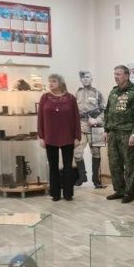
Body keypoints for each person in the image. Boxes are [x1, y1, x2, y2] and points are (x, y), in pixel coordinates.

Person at [103, 65, 134, 203]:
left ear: (126, 75)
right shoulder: (113, 92)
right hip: (113, 133)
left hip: (126, 133)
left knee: (129, 164)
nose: (116, 76)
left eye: (119, 74)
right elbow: (107, 112)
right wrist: (106, 130)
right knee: (114, 163)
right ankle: (119, 190)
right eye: (115, 74)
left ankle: (129, 193)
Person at [37, 73, 80, 201]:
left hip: (68, 137)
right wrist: (41, 136)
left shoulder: (70, 98)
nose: (50, 84)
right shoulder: (45, 98)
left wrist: (77, 137)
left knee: (68, 166)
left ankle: (68, 193)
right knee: (53, 166)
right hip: (50, 137)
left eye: (54, 81)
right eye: (49, 81)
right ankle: (55, 193)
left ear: (60, 83)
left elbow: (76, 118)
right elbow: (40, 118)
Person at [74, 70, 106, 188]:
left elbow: (104, 110)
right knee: (77, 152)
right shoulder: (77, 93)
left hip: (95, 127)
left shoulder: (97, 93)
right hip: (81, 126)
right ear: (81, 80)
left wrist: (97, 120)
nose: (85, 79)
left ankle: (96, 179)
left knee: (96, 153)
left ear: (92, 79)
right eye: (83, 78)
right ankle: (82, 175)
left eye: (88, 77)